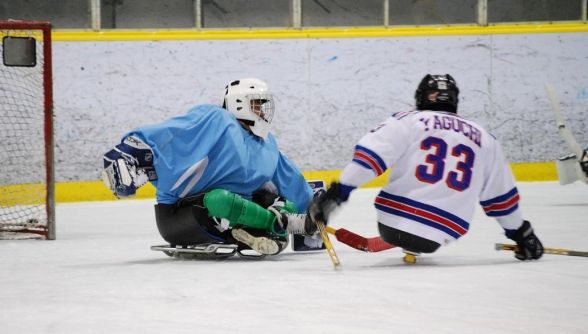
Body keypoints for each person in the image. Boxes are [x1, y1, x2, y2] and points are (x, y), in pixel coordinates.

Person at [307, 74, 544, 262]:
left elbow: (369, 160)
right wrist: (522, 234)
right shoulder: (485, 139)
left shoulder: (408, 120)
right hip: (441, 233)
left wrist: (335, 197)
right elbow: (501, 200)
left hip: (392, 224)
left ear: (421, 97)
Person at [102, 78, 316, 257]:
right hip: (183, 216)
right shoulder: (217, 119)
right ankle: (275, 226)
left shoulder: (268, 144)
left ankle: (262, 229)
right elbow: (174, 132)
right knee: (218, 199)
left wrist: (314, 210)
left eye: (264, 104)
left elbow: (291, 181)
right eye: (257, 104)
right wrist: (131, 151)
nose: (263, 111)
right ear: (239, 103)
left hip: (238, 217)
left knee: (275, 199)